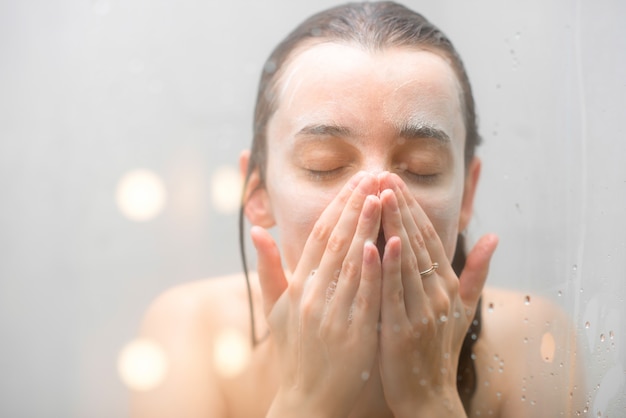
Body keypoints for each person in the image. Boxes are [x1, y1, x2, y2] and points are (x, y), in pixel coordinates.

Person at [131, 2, 586, 417]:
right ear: (258, 191)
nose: (375, 200)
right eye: (323, 165)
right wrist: (304, 400)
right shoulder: (193, 328)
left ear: (466, 196)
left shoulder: (533, 339)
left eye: (421, 169)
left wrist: (431, 401)